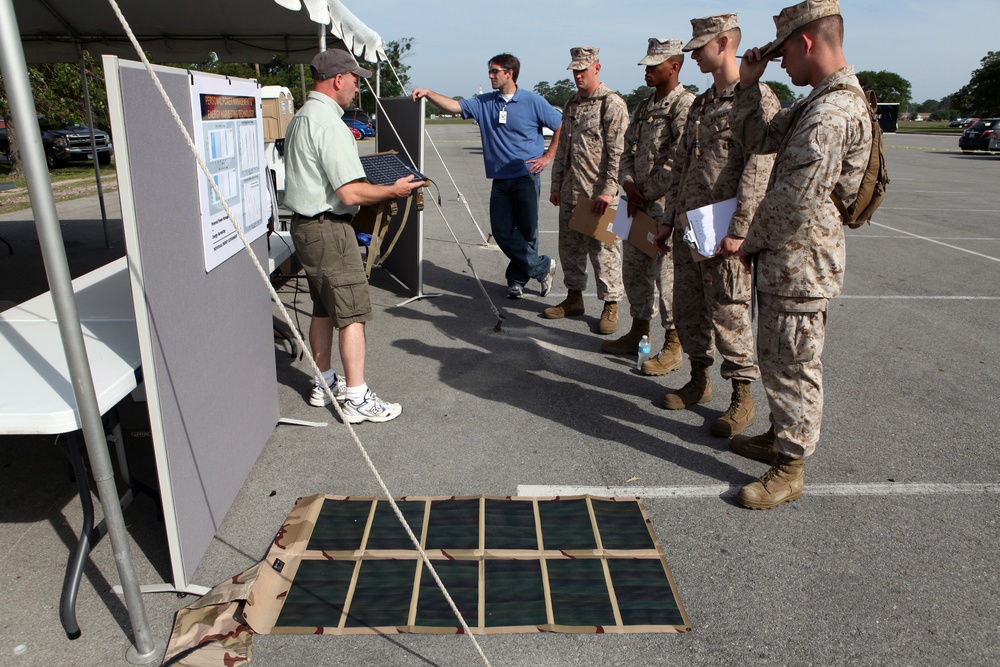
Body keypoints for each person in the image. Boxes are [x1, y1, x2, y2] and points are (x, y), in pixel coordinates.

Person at [730, 0, 872, 509]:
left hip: (801, 263)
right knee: (777, 358)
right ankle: (778, 434)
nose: (781, 62)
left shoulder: (832, 112)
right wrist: (749, 85)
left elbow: (793, 201)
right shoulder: (816, 101)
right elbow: (759, 139)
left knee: (793, 364)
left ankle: (790, 467)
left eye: (783, 51)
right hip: (787, 260)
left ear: (807, 42)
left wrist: (747, 243)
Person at [646, 15, 779, 437]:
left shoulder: (755, 97)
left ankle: (742, 396)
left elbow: (758, 167)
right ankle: (698, 379)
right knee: (689, 305)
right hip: (691, 223)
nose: (692, 54)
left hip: (723, 227)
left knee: (729, 310)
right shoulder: (702, 103)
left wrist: (739, 228)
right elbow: (683, 163)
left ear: (723, 44)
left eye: (699, 47)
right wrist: (668, 220)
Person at [284, 49, 425, 423]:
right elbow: (349, 194)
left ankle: (325, 382)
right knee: (352, 312)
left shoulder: (302, 117)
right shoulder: (330, 124)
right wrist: (393, 190)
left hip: (305, 227)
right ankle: (358, 398)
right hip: (328, 228)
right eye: (354, 79)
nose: (357, 86)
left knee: (323, 307)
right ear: (337, 80)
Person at [411, 54, 562, 300]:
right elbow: (455, 106)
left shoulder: (533, 101)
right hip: (500, 179)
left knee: (527, 232)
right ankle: (543, 267)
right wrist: (429, 92)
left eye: (494, 71)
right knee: (501, 231)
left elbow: (560, 125)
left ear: (509, 73)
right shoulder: (485, 103)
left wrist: (548, 156)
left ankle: (516, 280)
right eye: (490, 72)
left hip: (526, 176)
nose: (490, 76)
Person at [603, 38, 694, 375]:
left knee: (667, 280)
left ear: (675, 65)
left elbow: (678, 158)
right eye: (646, 65)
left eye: (655, 65)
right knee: (634, 273)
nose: (648, 70)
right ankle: (638, 331)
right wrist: (628, 184)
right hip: (635, 205)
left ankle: (673, 345)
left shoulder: (685, 105)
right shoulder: (642, 107)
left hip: (666, 209)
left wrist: (647, 191)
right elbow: (626, 150)